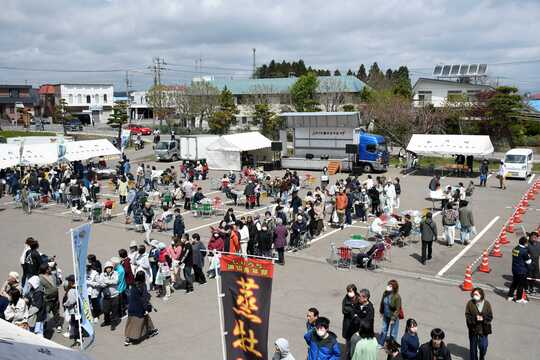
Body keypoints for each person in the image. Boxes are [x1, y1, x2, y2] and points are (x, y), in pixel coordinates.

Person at [124, 271, 158, 346]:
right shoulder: (143, 285)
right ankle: (130, 338)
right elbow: (144, 298)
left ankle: (151, 330)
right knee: (137, 323)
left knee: (137, 321)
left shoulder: (133, 285)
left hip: (131, 306)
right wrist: (145, 308)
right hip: (139, 307)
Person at [465, 287, 493, 360]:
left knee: (483, 346)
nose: (475, 296)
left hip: (483, 329)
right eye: (474, 294)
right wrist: (474, 319)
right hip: (473, 329)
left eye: (476, 294)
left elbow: (490, 316)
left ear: (481, 295)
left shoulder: (487, 304)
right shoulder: (470, 303)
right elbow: (467, 315)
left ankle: (481, 356)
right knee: (473, 347)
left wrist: (483, 319)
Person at [507, 236, 532, 303]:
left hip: (515, 269)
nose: (527, 244)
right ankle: (518, 299)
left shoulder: (515, 248)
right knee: (521, 285)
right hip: (521, 270)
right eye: (527, 242)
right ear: (525, 243)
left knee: (514, 283)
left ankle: (510, 296)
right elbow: (528, 261)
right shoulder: (524, 251)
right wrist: (529, 257)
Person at [378, 279, 402, 346]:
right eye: (388, 285)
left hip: (393, 317)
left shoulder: (397, 297)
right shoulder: (385, 293)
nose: (388, 286)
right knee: (384, 330)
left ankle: (392, 346)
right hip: (386, 315)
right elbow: (382, 303)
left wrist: (393, 319)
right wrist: (381, 311)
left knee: (393, 333)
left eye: (390, 286)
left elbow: (398, 309)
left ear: (394, 288)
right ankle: (381, 343)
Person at [100, 261, 120, 330]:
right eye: (107, 268)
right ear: (105, 268)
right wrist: (109, 283)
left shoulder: (116, 273)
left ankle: (113, 324)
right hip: (106, 296)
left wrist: (106, 282)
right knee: (105, 311)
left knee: (114, 311)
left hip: (114, 295)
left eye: (110, 268)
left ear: (112, 268)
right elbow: (101, 284)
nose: (108, 269)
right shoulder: (102, 274)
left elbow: (116, 281)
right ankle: (106, 321)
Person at [342, 284, 359, 359]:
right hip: (348, 324)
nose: (349, 293)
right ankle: (348, 356)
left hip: (356, 326)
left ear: (355, 291)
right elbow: (344, 310)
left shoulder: (359, 299)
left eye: (351, 291)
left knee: (356, 343)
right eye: (348, 291)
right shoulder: (346, 299)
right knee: (348, 343)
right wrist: (352, 311)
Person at [62, 275, 80, 346]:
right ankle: (77, 336)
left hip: (74, 310)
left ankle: (77, 338)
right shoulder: (79, 288)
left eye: (69, 281)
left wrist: (65, 304)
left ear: (71, 282)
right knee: (77, 324)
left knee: (75, 324)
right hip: (79, 310)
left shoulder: (72, 290)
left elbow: (71, 301)